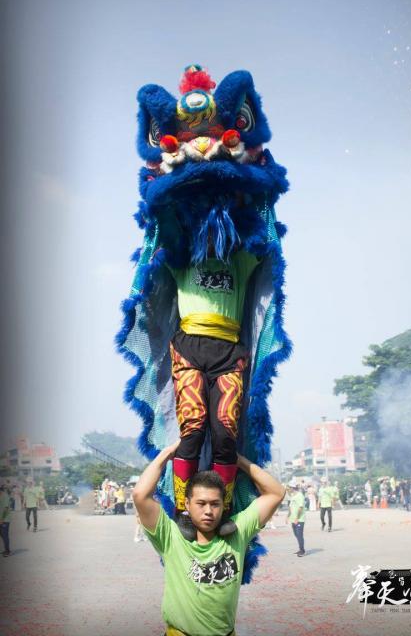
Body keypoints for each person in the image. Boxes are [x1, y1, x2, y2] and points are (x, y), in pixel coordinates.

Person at [133, 439, 285, 636]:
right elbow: (140, 495)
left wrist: (238, 460)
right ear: (187, 504)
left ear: (223, 505)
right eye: (201, 503)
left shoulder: (237, 532)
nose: (208, 511)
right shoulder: (170, 536)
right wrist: (168, 453)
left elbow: (276, 493)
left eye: (215, 504)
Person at [168, 248, 260, 540]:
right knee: (193, 428)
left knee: (225, 431)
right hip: (188, 349)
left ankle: (225, 510)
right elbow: (158, 237)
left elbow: (268, 240)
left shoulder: (240, 261)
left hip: (229, 353)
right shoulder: (181, 258)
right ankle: (183, 510)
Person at [287, 484, 306, 557]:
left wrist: (297, 518)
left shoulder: (300, 495)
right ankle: (300, 549)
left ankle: (302, 551)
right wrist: (287, 516)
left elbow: (300, 507)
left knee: (299, 535)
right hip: (293, 519)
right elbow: (290, 507)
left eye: (289, 488)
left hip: (299, 519)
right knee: (296, 535)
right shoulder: (292, 496)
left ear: (293, 488)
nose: (288, 489)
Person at [0, 484, 12, 557]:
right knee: (2, 535)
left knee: (5, 535)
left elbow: (6, 508)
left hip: (5, 519)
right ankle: (6, 549)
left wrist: (2, 519)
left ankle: (8, 551)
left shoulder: (5, 496)